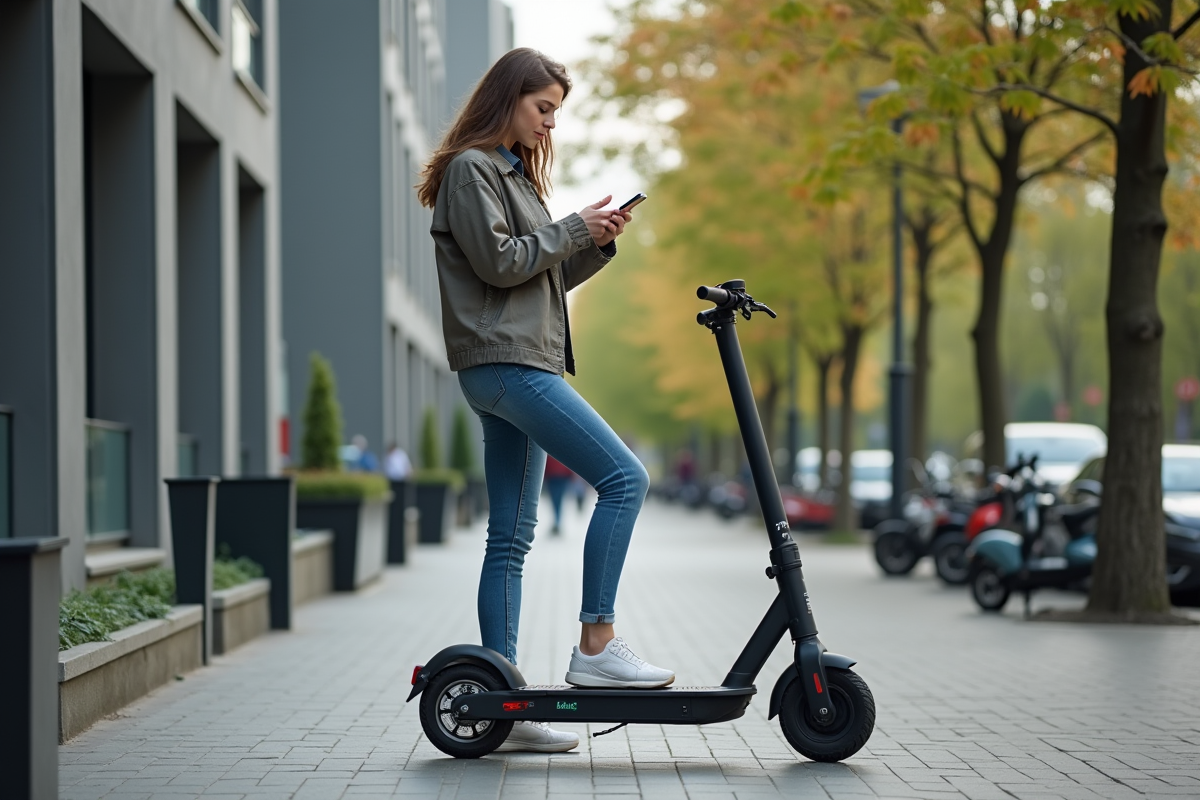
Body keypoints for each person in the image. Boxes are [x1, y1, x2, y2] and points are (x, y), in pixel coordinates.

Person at [418, 48, 671, 753]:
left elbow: (539, 277)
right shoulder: (473, 170)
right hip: (509, 365)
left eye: (556, 112)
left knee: (510, 537)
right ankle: (597, 642)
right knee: (626, 479)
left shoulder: (510, 176)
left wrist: (594, 240)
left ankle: (502, 705)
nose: (550, 125)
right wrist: (568, 231)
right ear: (509, 99)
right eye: (544, 108)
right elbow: (502, 264)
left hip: (512, 361)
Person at [543, 455, 573, 534]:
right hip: (559, 477)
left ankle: (557, 522)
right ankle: (557, 521)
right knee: (558, 500)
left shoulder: (550, 451)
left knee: (555, 500)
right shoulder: (562, 451)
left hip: (554, 477)